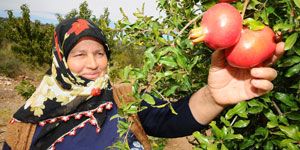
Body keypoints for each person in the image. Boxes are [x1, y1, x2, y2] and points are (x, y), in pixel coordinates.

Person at [3, 17, 284, 150]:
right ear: (60, 60)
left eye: (100, 53)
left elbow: (171, 120)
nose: (93, 64)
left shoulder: (122, 99)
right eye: (79, 54)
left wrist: (213, 97)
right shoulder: (26, 126)